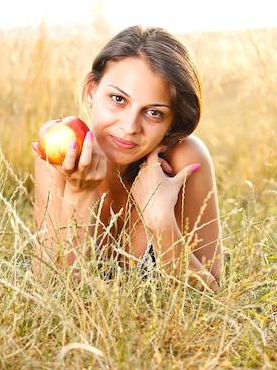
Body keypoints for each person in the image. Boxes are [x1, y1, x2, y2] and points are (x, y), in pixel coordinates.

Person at [32, 25, 222, 291]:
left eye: (154, 112)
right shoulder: (60, 153)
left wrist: (161, 222)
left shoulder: (184, 162)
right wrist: (79, 195)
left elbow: (212, 298)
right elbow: (49, 290)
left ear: (172, 121)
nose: (130, 126)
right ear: (91, 91)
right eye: (118, 99)